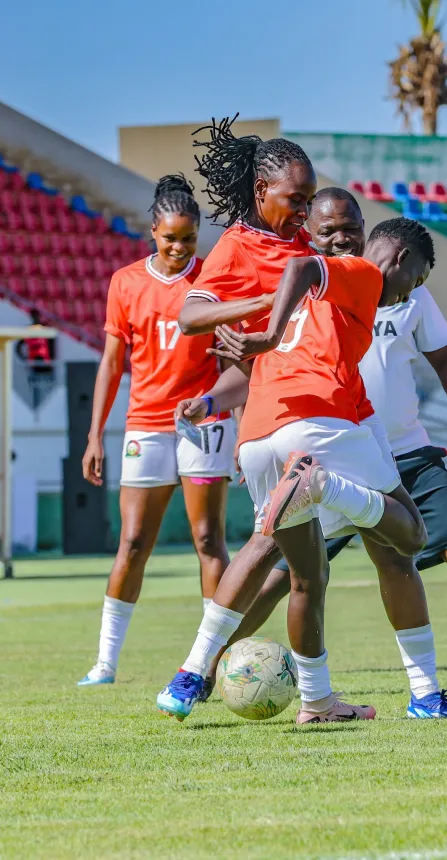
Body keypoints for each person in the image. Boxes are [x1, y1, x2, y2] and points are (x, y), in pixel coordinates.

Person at [225, 187, 447, 691]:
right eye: (329, 231)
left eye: (351, 228)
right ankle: (209, 668)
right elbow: (261, 365)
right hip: (326, 453)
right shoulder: (305, 285)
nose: (341, 238)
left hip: (404, 453)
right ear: (314, 233)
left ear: (370, 232)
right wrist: (225, 409)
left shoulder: (410, 294)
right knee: (282, 573)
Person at [156, 216, 445, 724]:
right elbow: (305, 267)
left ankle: (274, 692)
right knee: (411, 536)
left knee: (302, 572)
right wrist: (267, 335)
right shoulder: (358, 274)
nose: (406, 296)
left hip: (259, 438)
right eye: (414, 281)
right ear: (399, 259)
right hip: (315, 429)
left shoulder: (284, 295)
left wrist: (207, 400)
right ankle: (321, 486)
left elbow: (251, 365)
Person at [78, 175, 235, 686]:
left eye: (188, 239)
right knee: (133, 542)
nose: (179, 247)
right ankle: (105, 663)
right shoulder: (125, 283)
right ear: (152, 232)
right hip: (145, 424)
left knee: (209, 539)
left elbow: (236, 358)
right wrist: (95, 434)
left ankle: (210, 663)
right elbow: (111, 363)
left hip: (205, 423)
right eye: (170, 238)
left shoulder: (213, 279)